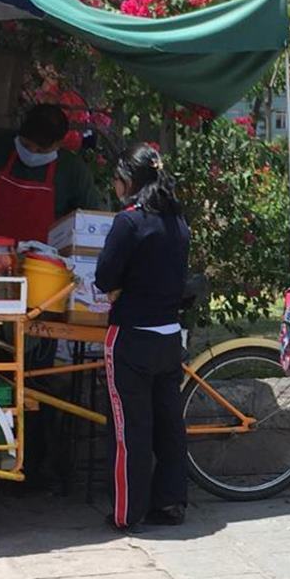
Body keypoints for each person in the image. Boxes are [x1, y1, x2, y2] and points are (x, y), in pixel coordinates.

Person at [95, 143, 191, 532]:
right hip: (169, 336)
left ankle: (126, 512)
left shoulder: (129, 221)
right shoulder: (177, 221)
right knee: (169, 425)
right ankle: (170, 502)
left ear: (128, 181)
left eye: (117, 179)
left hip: (131, 337)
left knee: (129, 428)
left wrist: (117, 288)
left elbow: (104, 276)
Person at [0, 103, 103, 243]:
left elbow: (92, 220)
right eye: (26, 145)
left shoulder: (73, 170)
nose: (32, 153)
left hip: (43, 260)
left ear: (58, 144)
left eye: (41, 150)